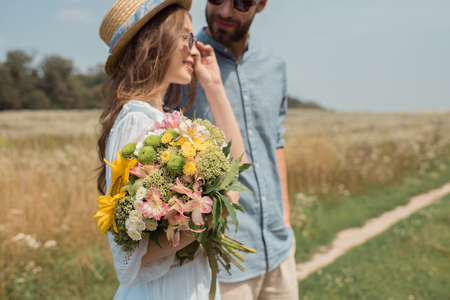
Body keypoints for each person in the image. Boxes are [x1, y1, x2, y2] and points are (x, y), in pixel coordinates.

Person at [96, 0, 246, 299]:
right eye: (186, 37)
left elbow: (236, 164)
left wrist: (214, 85)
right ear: (155, 41)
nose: (195, 48)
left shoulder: (162, 118)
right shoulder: (136, 119)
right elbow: (129, 259)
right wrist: (211, 213)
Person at [179, 0, 299, 299]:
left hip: (279, 246)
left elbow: (275, 141)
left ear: (261, 5)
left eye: (241, 2)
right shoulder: (183, 63)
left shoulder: (275, 65)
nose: (224, 11)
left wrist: (284, 213)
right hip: (221, 262)